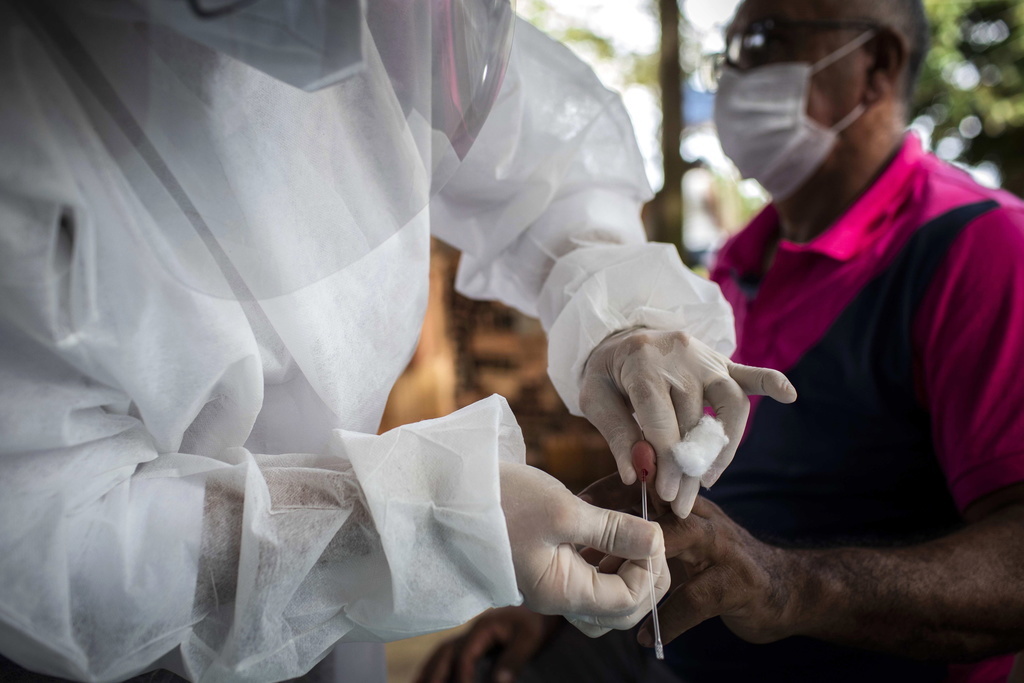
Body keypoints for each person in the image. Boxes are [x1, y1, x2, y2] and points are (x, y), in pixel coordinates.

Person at [0, 1, 799, 681]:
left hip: (336, 635)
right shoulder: (31, 100)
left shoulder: (408, 25)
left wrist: (623, 322)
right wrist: (409, 521)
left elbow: (546, 166)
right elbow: (42, 540)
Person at [419, 0, 1024, 681]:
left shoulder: (981, 248)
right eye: (726, 52)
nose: (735, 78)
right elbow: (701, 496)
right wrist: (561, 595)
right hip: (674, 652)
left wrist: (788, 586)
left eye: (762, 40)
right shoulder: (734, 267)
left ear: (876, 65)